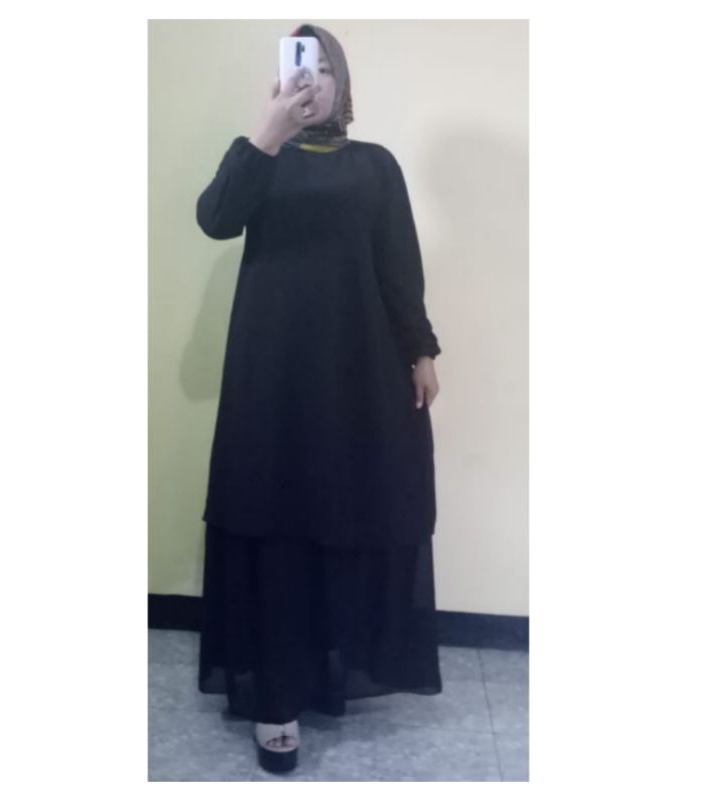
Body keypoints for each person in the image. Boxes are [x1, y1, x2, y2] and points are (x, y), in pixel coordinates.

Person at [195, 23, 443, 775]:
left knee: (346, 508)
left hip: (357, 371)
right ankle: (275, 697)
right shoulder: (259, 157)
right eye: (299, 68)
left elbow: (399, 263)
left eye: (324, 68)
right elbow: (215, 219)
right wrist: (266, 132)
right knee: (273, 520)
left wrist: (421, 349)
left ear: (343, 83)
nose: (312, 82)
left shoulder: (376, 165)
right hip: (271, 375)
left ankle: (332, 665)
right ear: (281, 80)